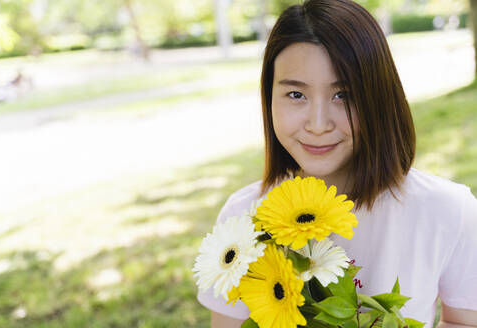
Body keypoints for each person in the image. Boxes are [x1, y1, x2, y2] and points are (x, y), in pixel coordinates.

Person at [196, 0, 477, 327]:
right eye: (296, 95)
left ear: (379, 98)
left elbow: (465, 320)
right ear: (268, 97)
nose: (318, 124)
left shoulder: (447, 210)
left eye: (343, 94)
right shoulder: (243, 219)